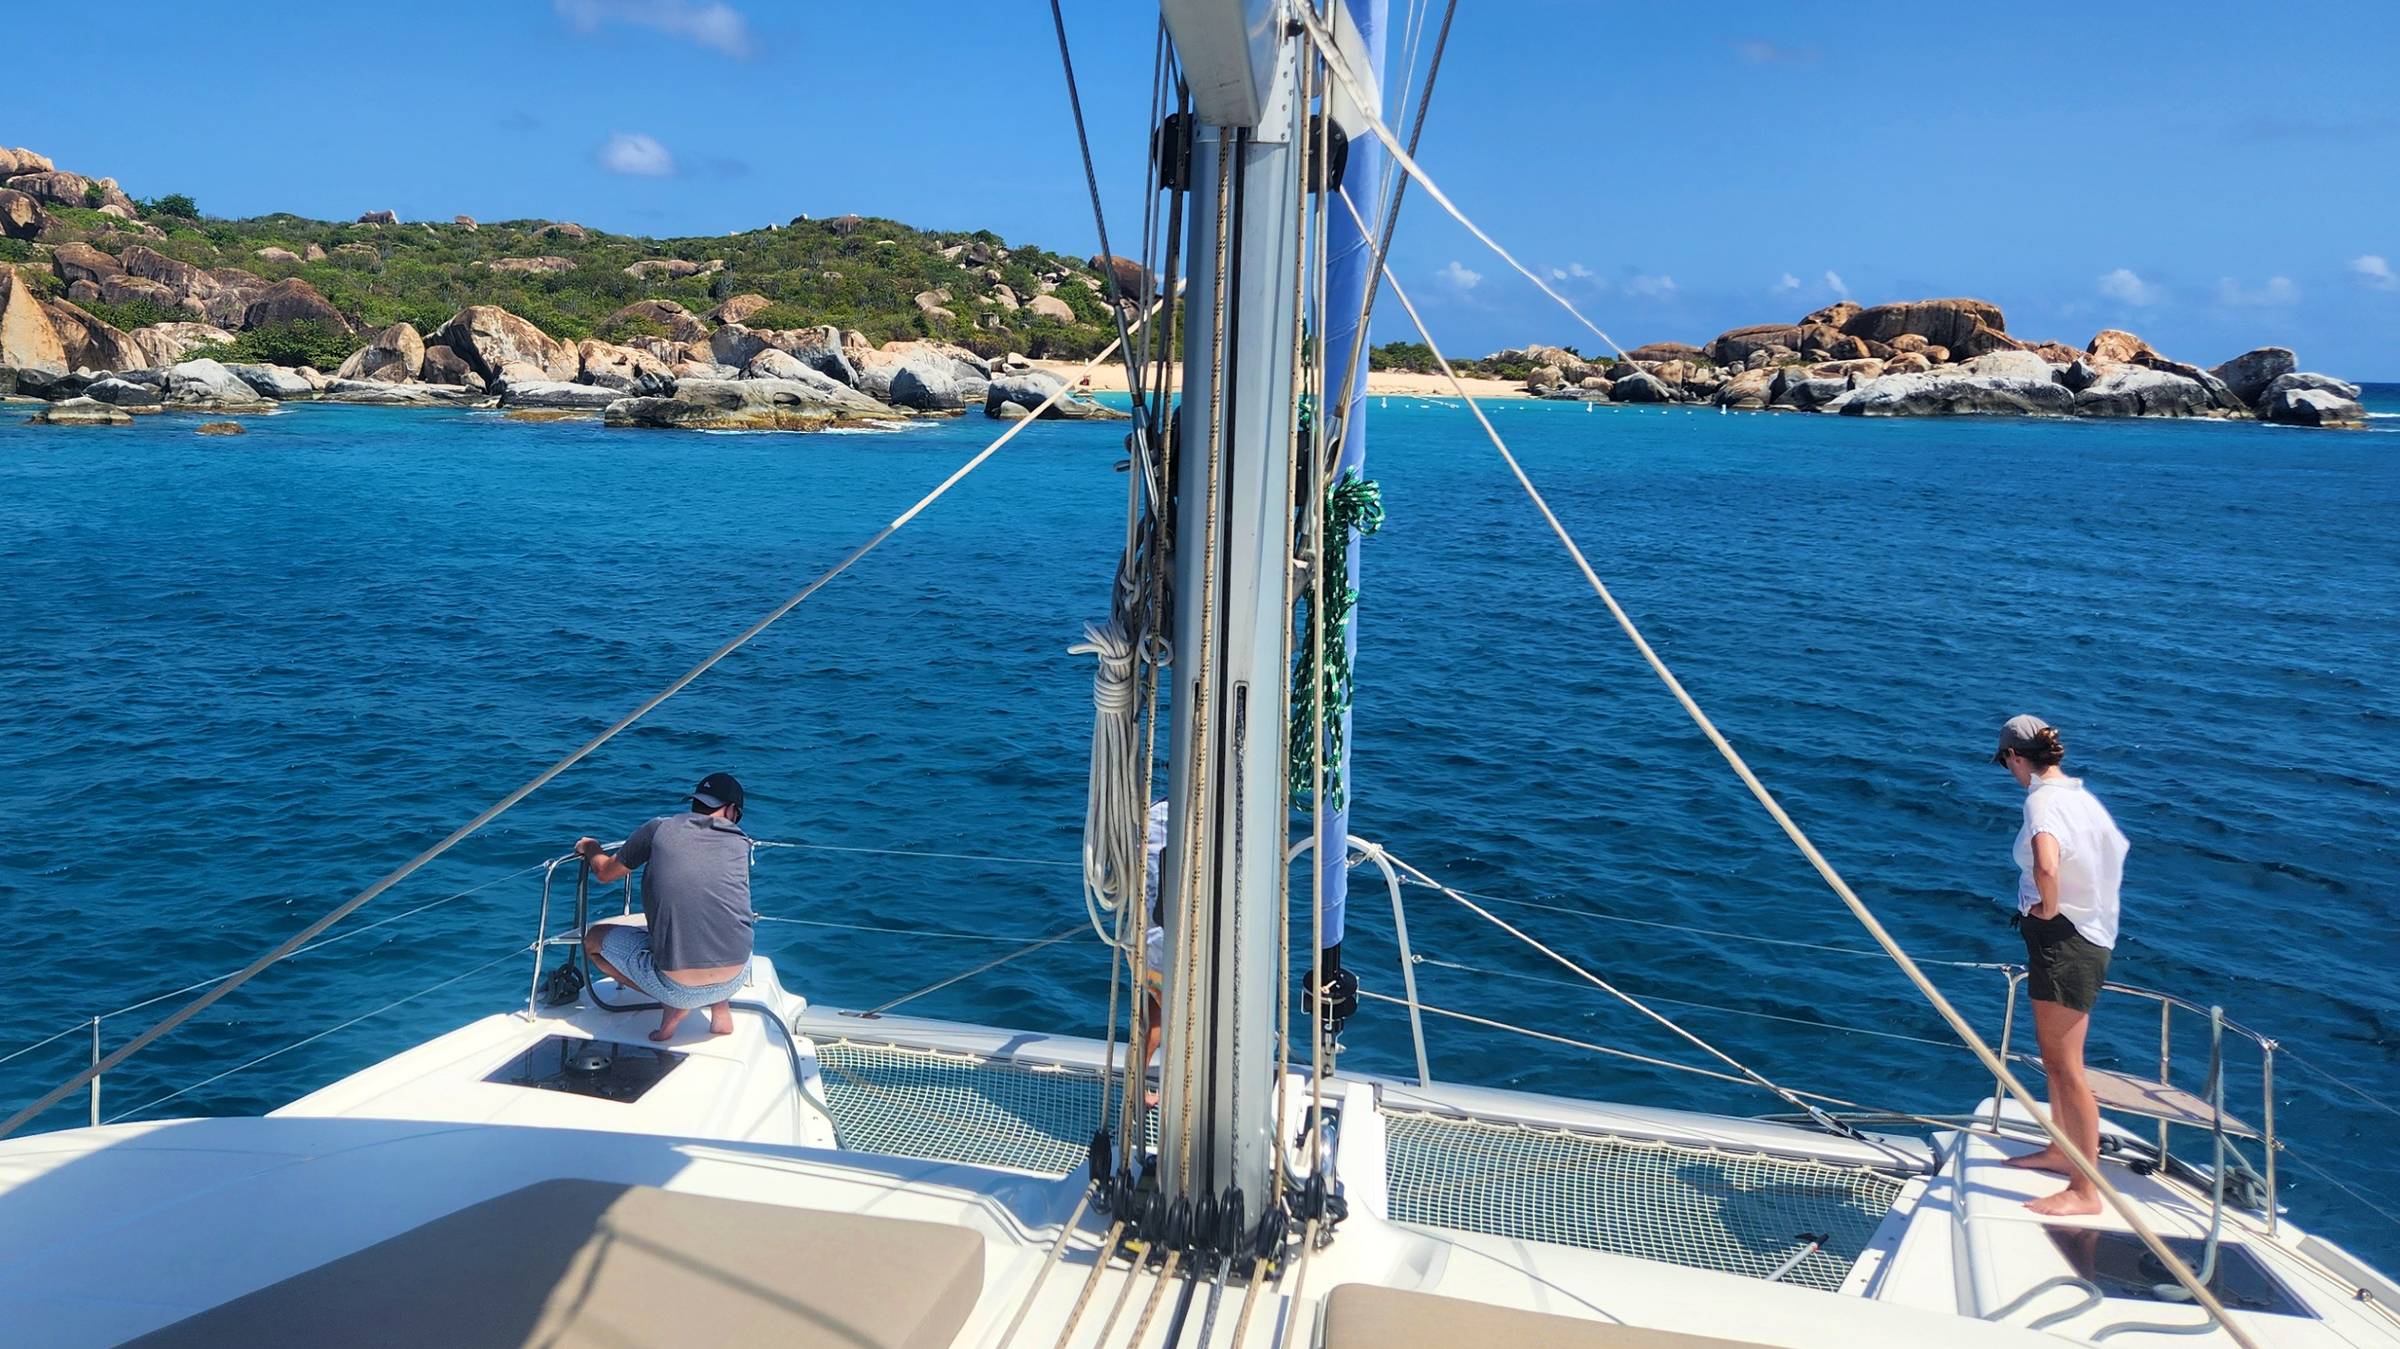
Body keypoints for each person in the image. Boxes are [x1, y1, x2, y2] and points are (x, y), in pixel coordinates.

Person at [1993, 715, 2128, 1217]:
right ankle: (2060, 1150)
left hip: (2064, 940)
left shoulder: (2042, 802)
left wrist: (2048, 907)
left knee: (2067, 1066)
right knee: (2054, 1059)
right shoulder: (2081, 799)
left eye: (2006, 761)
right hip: (2085, 935)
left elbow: (2046, 861)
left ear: (2015, 758)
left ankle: (2085, 1190)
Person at [576, 772, 756, 1043]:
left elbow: (605, 873)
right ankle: (720, 1012)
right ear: (732, 810)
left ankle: (674, 1003)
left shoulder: (659, 828)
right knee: (720, 924)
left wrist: (590, 847)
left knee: (592, 941)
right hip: (738, 974)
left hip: (678, 987)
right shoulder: (742, 842)